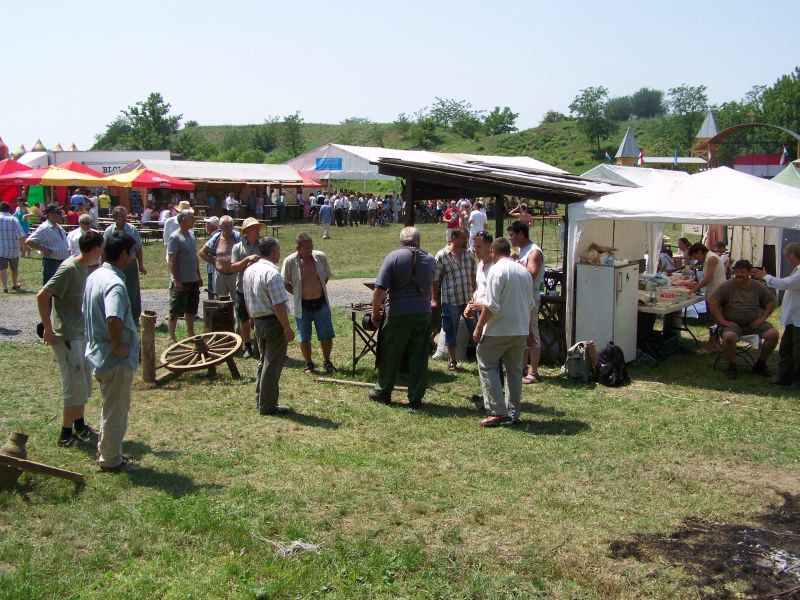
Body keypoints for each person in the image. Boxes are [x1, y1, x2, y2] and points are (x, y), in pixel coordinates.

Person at [36, 230, 104, 447]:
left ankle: (79, 425)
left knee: (83, 381)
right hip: (66, 335)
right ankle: (65, 435)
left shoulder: (84, 267)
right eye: (101, 247)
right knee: (73, 384)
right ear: (96, 248)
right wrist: (48, 329)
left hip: (79, 333)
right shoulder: (68, 268)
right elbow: (42, 295)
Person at [83, 231, 140, 472]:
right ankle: (110, 459)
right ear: (124, 254)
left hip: (98, 352)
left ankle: (108, 449)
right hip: (113, 357)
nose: (133, 257)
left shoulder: (96, 275)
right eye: (132, 253)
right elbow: (113, 317)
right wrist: (117, 345)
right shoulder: (115, 283)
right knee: (116, 410)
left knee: (110, 406)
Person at [368, 227, 436, 407]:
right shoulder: (430, 259)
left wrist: (375, 313)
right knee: (419, 356)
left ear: (402, 241)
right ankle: (416, 397)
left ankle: (383, 391)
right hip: (423, 312)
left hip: (398, 312)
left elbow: (380, 289)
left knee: (391, 353)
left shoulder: (393, 257)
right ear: (418, 240)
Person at [473, 237, 534, 427]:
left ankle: (497, 410)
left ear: (493, 251)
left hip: (499, 329)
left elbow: (491, 305)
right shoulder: (524, 272)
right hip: (519, 329)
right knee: (515, 371)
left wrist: (479, 327)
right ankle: (514, 412)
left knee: (486, 363)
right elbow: (530, 304)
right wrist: (528, 330)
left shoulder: (496, 270)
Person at [243, 237, 295, 416]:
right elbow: (278, 304)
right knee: (273, 364)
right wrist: (287, 327)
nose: (279, 253)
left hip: (258, 321)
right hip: (273, 322)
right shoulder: (272, 273)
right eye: (278, 250)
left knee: (264, 361)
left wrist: (251, 317)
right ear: (273, 252)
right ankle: (268, 405)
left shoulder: (249, 270)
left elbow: (246, 298)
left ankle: (261, 398)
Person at [708, 259, 778, 380]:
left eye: (742, 272)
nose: (739, 274)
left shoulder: (757, 286)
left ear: (749, 272)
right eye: (737, 272)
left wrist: (762, 318)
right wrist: (722, 320)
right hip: (732, 324)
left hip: (754, 323)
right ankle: (732, 366)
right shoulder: (727, 285)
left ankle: (760, 364)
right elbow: (712, 300)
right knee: (729, 337)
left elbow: (771, 302)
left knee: (773, 335)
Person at [282, 233, 335, 373]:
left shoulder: (320, 257)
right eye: (307, 248)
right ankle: (309, 363)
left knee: (326, 335)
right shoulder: (290, 261)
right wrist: (298, 293)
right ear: (298, 248)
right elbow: (285, 282)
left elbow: (326, 276)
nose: (310, 250)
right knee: (304, 337)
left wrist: (316, 290)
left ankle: (327, 361)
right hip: (302, 306)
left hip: (321, 303)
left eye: (311, 247)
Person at [751, 243, 800, 388]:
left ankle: (797, 380)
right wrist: (766, 278)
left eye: (788, 256)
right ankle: (785, 377)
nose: (788, 259)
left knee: (797, 351)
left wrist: (766, 277)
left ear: (793, 255)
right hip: (793, 318)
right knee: (786, 348)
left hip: (798, 318)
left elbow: (785, 283)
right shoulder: (797, 270)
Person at [432, 227, 477, 371]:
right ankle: (452, 360)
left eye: (466, 238)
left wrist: (477, 292)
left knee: (476, 329)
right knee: (450, 330)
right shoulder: (441, 255)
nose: (465, 241)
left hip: (469, 299)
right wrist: (434, 298)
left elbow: (474, 275)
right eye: (463, 238)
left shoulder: (469, 254)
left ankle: (482, 358)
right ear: (453, 238)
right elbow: (435, 280)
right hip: (451, 300)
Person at [507, 221, 545, 383]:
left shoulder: (534, 252)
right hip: (521, 297)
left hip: (530, 297)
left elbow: (532, 274)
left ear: (521, 234)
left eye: (512, 235)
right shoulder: (522, 251)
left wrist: (515, 264)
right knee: (522, 332)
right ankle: (522, 367)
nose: (510, 238)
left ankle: (534, 372)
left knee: (532, 332)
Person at [465, 231, 498, 411]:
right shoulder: (480, 265)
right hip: (479, 312)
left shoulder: (495, 266)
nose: (475, 249)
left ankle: (495, 395)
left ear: (489, 246)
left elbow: (496, 296)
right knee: (484, 355)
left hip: (491, 315)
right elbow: (479, 289)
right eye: (474, 246)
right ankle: (488, 392)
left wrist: (481, 305)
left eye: (479, 246)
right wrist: (471, 303)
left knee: (492, 356)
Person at [103, 206, 146, 323]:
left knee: (132, 290)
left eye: (125, 215)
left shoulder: (132, 230)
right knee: (115, 289)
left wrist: (140, 265)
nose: (125, 218)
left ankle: (134, 317)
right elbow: (104, 250)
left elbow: (138, 248)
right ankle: (116, 315)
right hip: (114, 265)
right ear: (115, 217)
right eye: (122, 216)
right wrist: (104, 266)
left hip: (130, 264)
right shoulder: (109, 231)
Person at [167, 210, 202, 344]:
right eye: (191, 218)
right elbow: (172, 260)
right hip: (181, 280)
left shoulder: (192, 235)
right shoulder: (175, 237)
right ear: (183, 221)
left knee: (191, 308)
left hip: (193, 279)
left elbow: (195, 257)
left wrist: (198, 275)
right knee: (175, 309)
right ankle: (171, 337)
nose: (194, 220)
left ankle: (190, 332)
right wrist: (177, 280)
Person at [231, 217, 264, 358]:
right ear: (246, 231)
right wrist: (246, 260)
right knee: (243, 318)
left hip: (259, 287)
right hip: (242, 288)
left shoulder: (263, 245)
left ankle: (260, 345)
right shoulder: (237, 247)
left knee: (259, 316)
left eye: (257, 227)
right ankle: (247, 346)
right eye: (254, 227)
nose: (257, 230)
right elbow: (233, 267)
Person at [689, 242, 728, 353]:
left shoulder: (711, 259)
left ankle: (712, 345)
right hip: (713, 292)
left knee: (713, 320)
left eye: (695, 256)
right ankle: (715, 344)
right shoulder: (708, 259)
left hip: (718, 293)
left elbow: (708, 279)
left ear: (700, 252)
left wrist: (695, 289)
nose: (696, 259)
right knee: (712, 319)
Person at [26, 204, 70, 286]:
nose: (61, 215)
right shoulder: (44, 228)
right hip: (52, 263)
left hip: (62, 262)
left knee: (61, 287)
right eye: (58, 213)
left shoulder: (59, 227)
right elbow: (29, 241)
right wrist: (44, 249)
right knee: (49, 287)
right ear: (51, 214)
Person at [199, 215, 241, 301]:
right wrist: (214, 262)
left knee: (237, 302)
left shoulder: (238, 237)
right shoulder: (216, 238)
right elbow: (201, 253)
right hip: (220, 275)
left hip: (235, 275)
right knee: (220, 302)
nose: (229, 229)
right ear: (220, 227)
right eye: (226, 226)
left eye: (230, 226)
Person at [0, 201, 25, 292]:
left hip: (1, 249)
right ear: (9, 209)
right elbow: (21, 235)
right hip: (13, 249)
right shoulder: (13, 219)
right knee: (14, 268)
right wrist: (23, 247)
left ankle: (5, 287)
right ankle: (14, 284)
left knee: (2, 269)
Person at [200, 216, 220, 299]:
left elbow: (202, 252)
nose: (205, 225)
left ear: (213, 225)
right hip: (212, 269)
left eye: (207, 223)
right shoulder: (213, 235)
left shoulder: (215, 236)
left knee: (213, 293)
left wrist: (214, 262)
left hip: (214, 270)